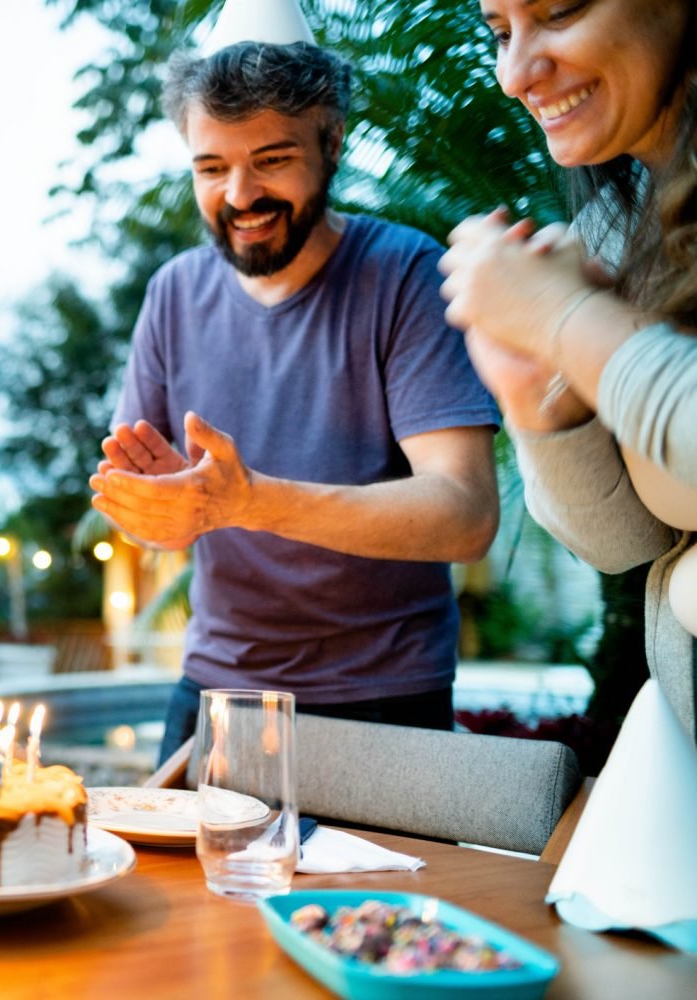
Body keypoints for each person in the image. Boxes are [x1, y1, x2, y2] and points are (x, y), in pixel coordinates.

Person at [88, 3, 501, 766]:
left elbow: (466, 513)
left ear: (332, 141)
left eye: (271, 159)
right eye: (211, 168)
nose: (239, 195)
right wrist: (160, 510)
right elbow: (143, 511)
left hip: (387, 701)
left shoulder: (403, 274)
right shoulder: (173, 294)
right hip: (216, 693)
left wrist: (249, 501)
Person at [440, 0, 697, 739]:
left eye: (558, 11)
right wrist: (537, 400)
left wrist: (565, 321)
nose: (515, 72)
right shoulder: (614, 226)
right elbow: (624, 542)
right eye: (500, 32)